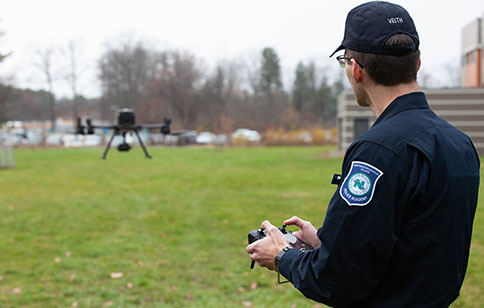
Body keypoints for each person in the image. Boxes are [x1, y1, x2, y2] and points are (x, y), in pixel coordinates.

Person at [246, 1, 481, 307]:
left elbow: (335, 280)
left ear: (356, 70)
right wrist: (326, 242)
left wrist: (282, 256)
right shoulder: (459, 142)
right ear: (418, 64)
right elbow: (415, 244)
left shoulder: (377, 151)